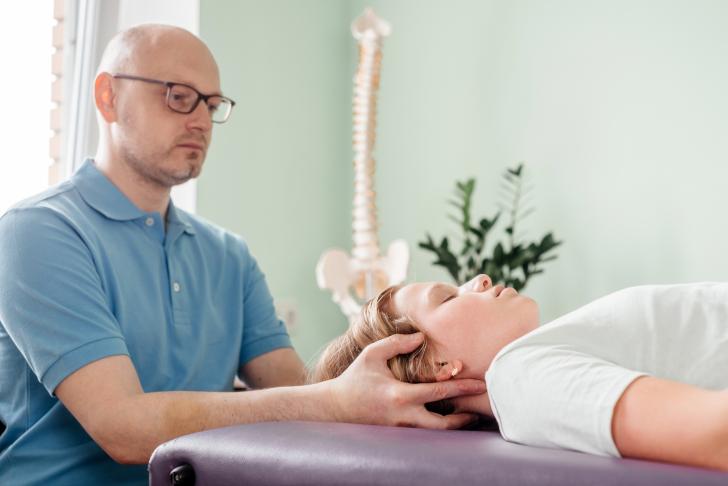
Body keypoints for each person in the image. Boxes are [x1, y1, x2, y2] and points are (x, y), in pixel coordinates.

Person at [0, 24, 486, 485]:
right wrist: (332, 401)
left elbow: (302, 389)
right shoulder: (38, 233)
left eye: (211, 104)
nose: (199, 121)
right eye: (177, 96)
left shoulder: (228, 255)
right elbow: (122, 428)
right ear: (108, 96)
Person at [313, 274, 728, 472]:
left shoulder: (532, 364)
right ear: (437, 367)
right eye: (449, 297)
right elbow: (714, 433)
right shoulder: (521, 377)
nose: (479, 279)